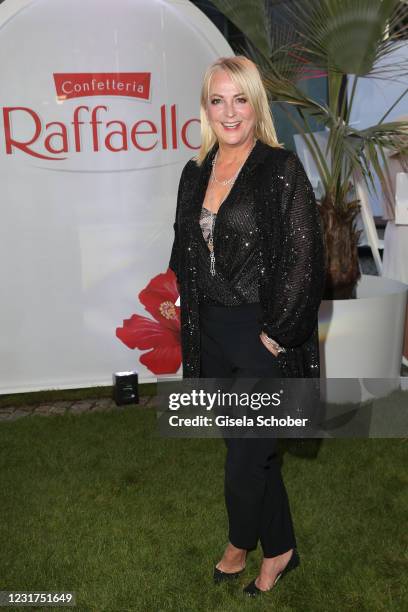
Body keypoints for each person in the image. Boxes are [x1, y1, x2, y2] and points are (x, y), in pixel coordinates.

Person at [169, 56, 325, 596]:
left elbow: (306, 257)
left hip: (261, 337)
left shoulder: (279, 168)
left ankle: (241, 543)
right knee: (251, 451)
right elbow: (184, 249)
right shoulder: (195, 171)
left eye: (240, 99)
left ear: (256, 104)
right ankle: (281, 549)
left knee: (243, 461)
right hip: (209, 333)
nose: (229, 111)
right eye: (218, 99)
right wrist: (177, 299)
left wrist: (277, 333)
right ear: (206, 107)